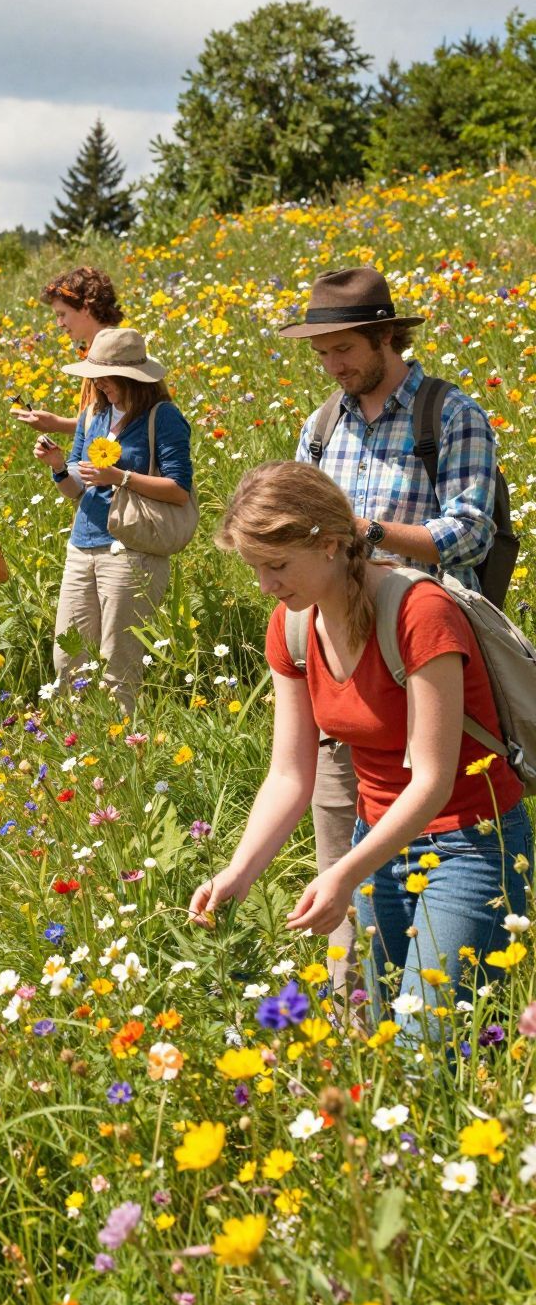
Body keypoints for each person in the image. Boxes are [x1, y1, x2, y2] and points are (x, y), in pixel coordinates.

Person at [188, 462, 531, 1032]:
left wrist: (343, 875)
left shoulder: (420, 612)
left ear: (329, 544)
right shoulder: (293, 626)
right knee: (383, 1030)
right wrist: (239, 872)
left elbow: (432, 780)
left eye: (276, 566)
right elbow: (289, 776)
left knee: (432, 1045)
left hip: (470, 845)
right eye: (255, 569)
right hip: (376, 844)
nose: (266, 585)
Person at [285, 265, 499, 976]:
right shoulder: (319, 427)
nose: (333, 365)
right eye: (321, 353)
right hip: (340, 668)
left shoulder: (449, 413)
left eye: (343, 348)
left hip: (423, 667)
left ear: (386, 336)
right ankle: (356, 1022)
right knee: (338, 843)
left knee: (432, 817)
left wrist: (362, 532)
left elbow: (470, 534)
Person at [34, 327, 193, 714]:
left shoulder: (163, 417)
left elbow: (178, 490)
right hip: (82, 542)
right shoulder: (93, 415)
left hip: (132, 549)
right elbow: (76, 488)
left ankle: (121, 746)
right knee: (67, 657)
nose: (98, 384)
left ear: (130, 378)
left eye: (104, 376)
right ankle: (82, 742)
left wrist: (119, 477)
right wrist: (58, 467)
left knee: (117, 660)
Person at [12, 265, 124, 439]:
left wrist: (56, 424)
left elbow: (121, 423)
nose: (59, 323)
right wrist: (55, 423)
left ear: (85, 308)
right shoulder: (93, 351)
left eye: (62, 314)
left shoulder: (117, 353)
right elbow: (99, 422)